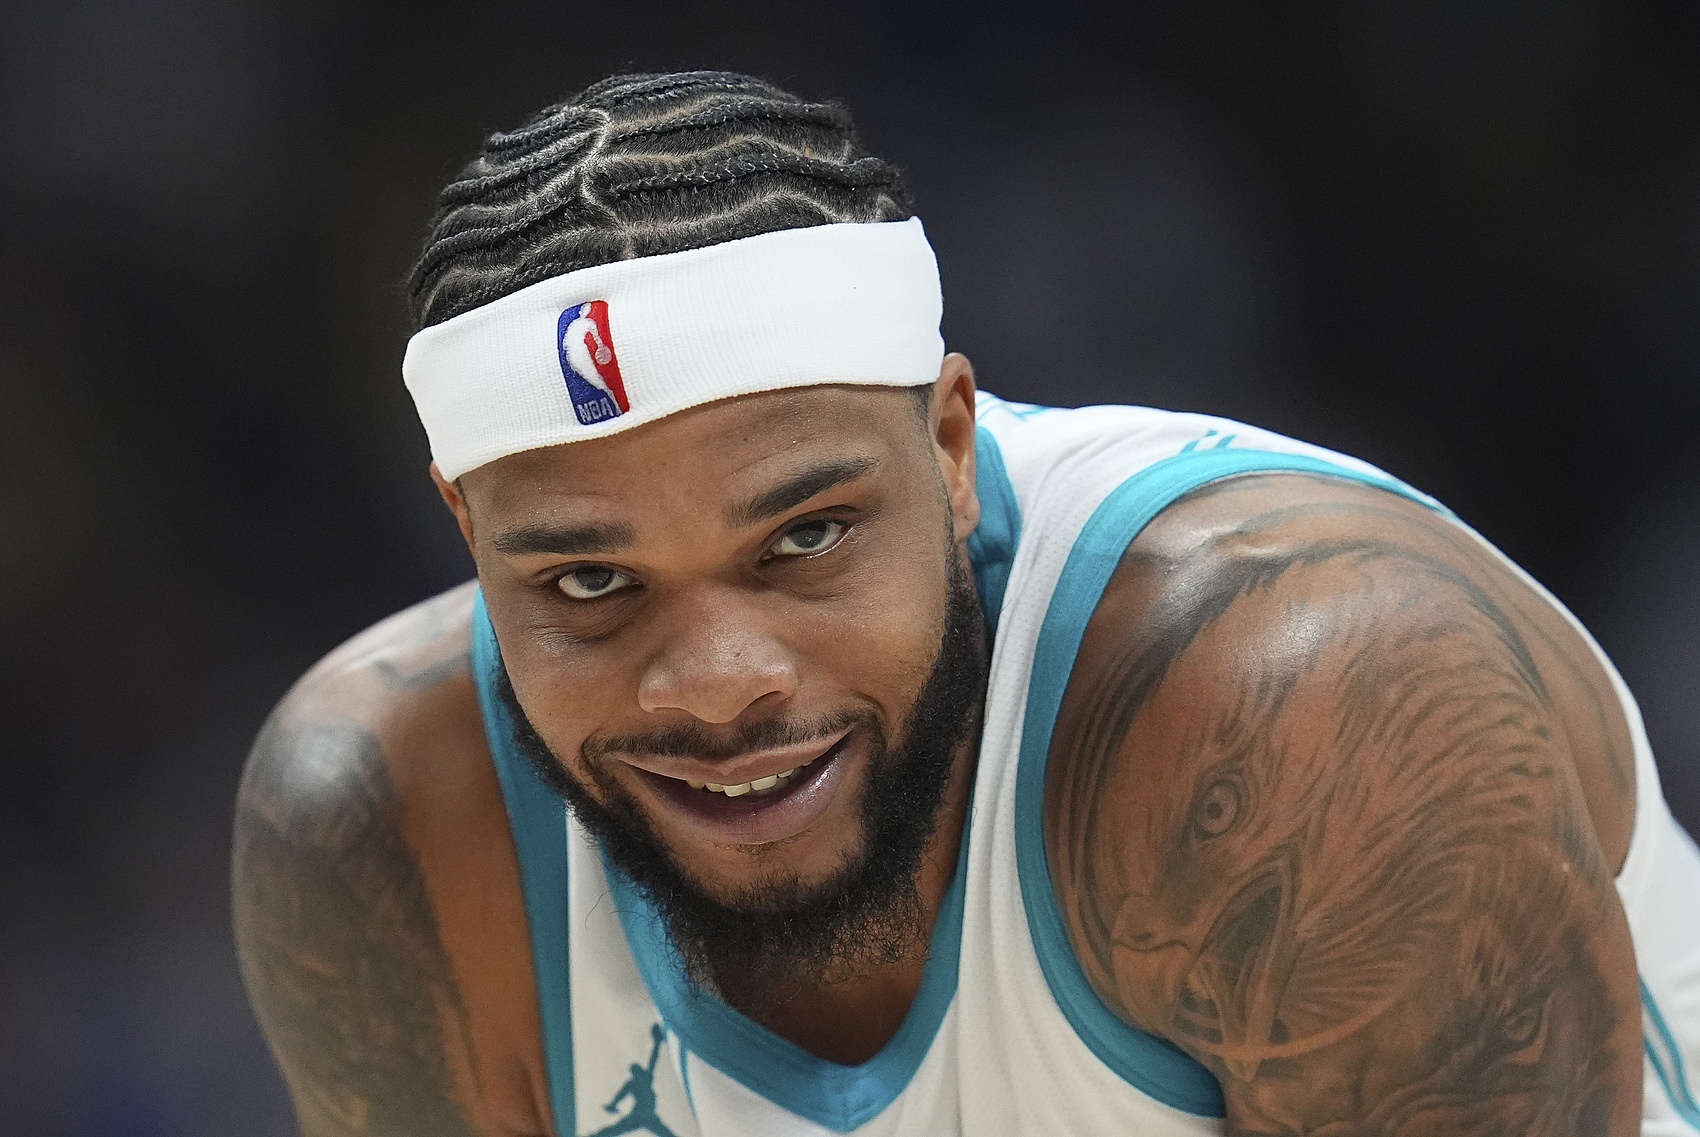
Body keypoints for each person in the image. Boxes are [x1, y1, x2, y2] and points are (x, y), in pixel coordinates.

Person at [231, 71, 1700, 1137]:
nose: (718, 680)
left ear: (948, 447)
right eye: (592, 583)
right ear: (468, 538)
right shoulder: (387, 827)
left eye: (805, 538)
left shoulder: (1301, 709)